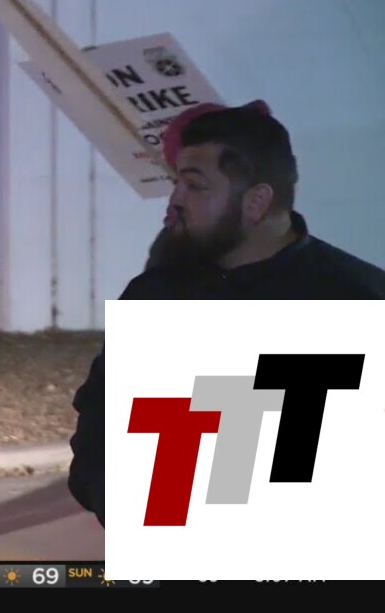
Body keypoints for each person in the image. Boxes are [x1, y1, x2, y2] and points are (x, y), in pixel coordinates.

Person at [67, 101, 385, 527]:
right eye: (176, 183)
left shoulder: (357, 302)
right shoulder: (154, 297)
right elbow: (98, 428)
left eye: (194, 186)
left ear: (256, 202)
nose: (175, 201)